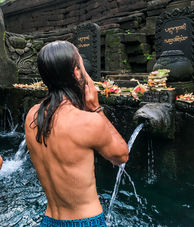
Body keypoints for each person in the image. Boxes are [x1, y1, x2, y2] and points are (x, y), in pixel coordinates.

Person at [25, 41, 129, 227]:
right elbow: (121, 156)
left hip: (49, 220)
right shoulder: (88, 122)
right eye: (81, 65)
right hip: (86, 221)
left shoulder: (32, 116)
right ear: (76, 72)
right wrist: (96, 108)